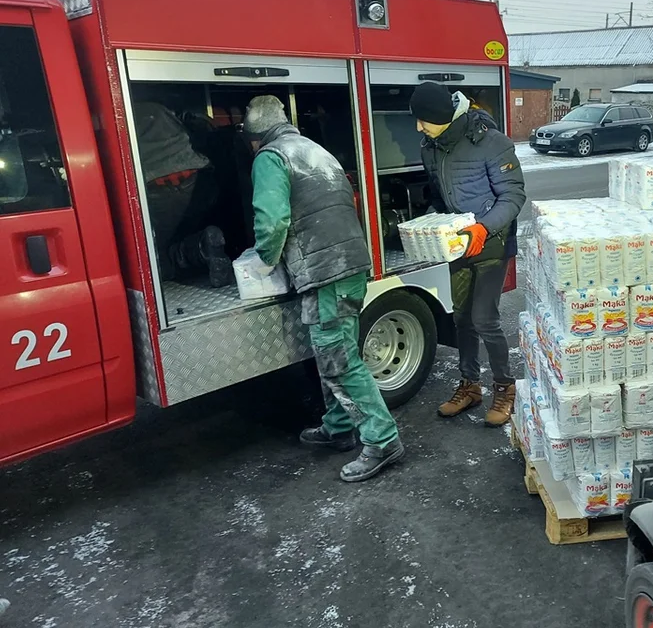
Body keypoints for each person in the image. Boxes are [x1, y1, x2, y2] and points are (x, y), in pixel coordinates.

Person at [243, 95, 404, 482]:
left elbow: (273, 221)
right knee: (335, 353)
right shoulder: (315, 150)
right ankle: (337, 426)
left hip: (325, 271)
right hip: (350, 265)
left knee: (339, 361)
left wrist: (263, 261)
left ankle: (383, 441)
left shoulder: (271, 157)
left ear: (254, 137)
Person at [411, 82, 526, 427]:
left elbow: (513, 197)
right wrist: (432, 221)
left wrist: (483, 228)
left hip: (492, 243)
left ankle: (505, 387)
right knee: (460, 319)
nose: (419, 127)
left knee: (484, 319)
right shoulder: (430, 147)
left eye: (424, 120)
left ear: (443, 117)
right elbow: (439, 195)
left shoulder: (491, 142)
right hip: (457, 246)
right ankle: (469, 385)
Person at [134, 102, 231, 287]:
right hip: (199, 177)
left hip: (159, 187)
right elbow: (198, 120)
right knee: (183, 230)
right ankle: (206, 244)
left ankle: (202, 246)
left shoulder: (123, 113)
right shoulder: (161, 109)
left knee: (154, 260)